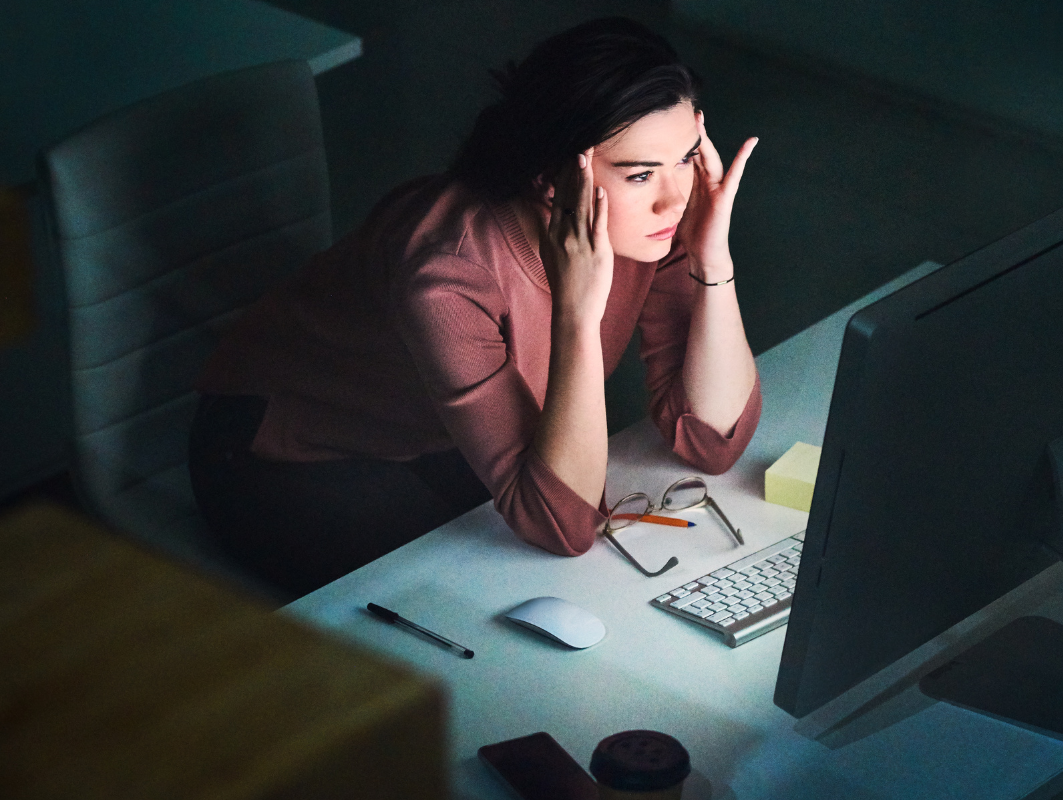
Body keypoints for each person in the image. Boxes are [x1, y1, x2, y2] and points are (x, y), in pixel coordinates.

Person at [189, 18, 762, 598]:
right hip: (290, 448)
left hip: (437, 435)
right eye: (640, 174)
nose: (677, 196)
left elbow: (713, 442)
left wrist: (711, 260)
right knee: (462, 606)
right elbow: (564, 525)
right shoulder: (445, 275)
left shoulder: (647, 227)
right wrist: (577, 313)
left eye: (687, 158)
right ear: (553, 181)